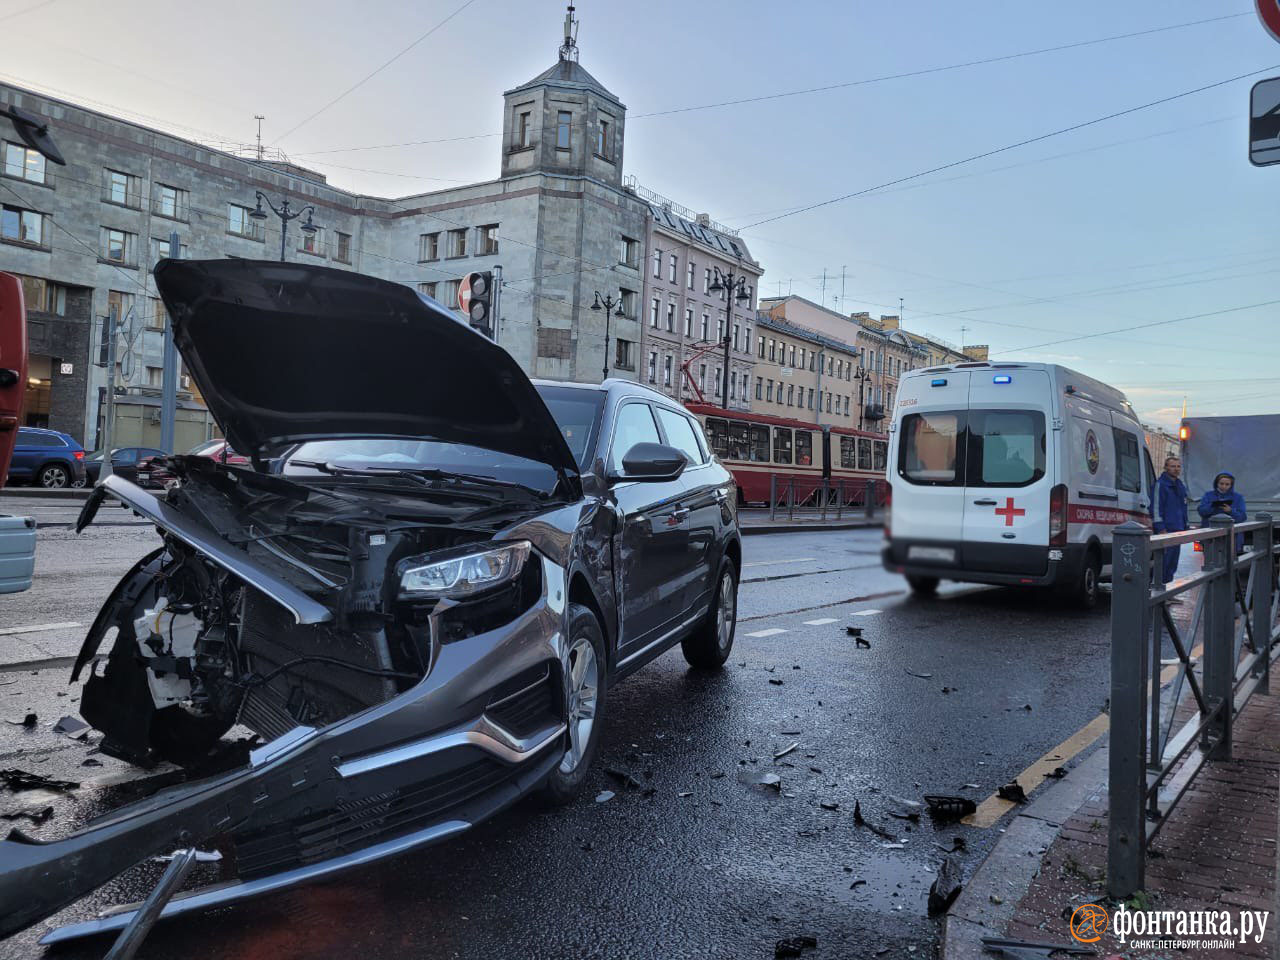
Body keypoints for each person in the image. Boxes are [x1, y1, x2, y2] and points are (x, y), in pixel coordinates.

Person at [1152, 455, 1189, 586]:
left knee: (1173, 563)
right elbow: (1156, 507)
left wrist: (1186, 525)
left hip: (1177, 529)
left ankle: (1167, 591)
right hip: (1166, 530)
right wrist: (1160, 528)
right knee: (1164, 562)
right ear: (1166, 467)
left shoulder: (1180, 485)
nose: (1176, 469)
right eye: (1173, 466)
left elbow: (1183, 506)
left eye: (1178, 466)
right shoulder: (1161, 485)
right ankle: (1159, 591)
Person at [1197, 470, 1247, 552]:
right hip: (1211, 537)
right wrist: (1213, 506)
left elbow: (1242, 516)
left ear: (1231, 485)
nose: (1224, 486)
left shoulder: (1238, 497)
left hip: (1231, 537)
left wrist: (1230, 511)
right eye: (1221, 484)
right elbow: (1202, 511)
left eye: (1227, 484)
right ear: (1217, 483)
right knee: (1210, 562)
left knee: (1230, 563)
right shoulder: (1208, 495)